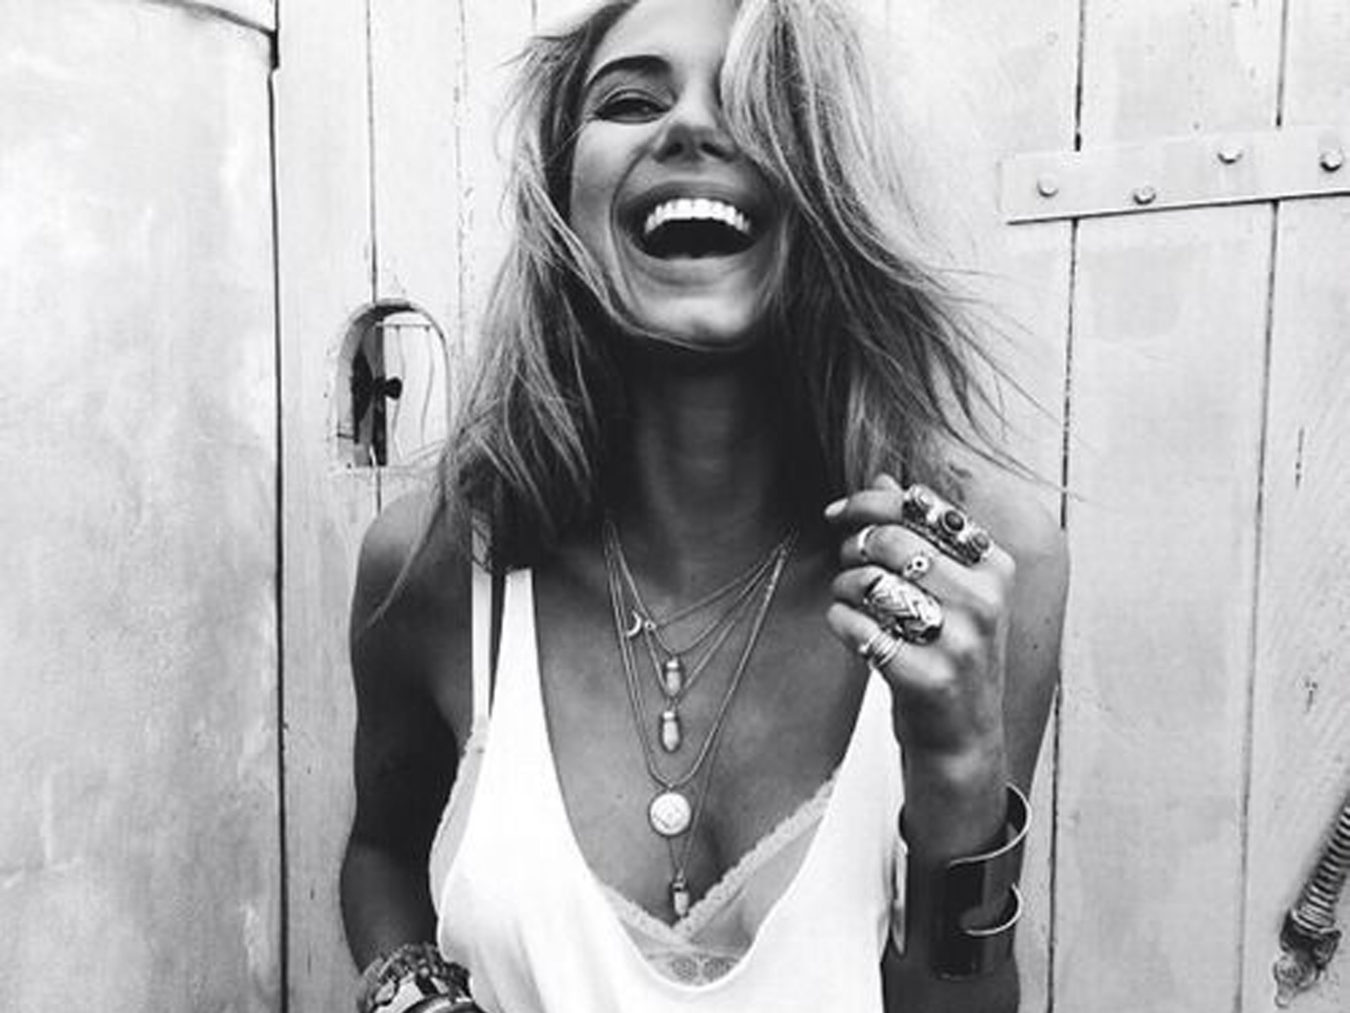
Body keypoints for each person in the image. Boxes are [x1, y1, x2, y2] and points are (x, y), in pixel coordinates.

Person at [340, 0, 1068, 1010]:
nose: (688, 124)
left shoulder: (977, 575)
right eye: (630, 101)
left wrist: (957, 771)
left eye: (758, 100)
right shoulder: (433, 565)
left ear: (837, 179)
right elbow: (382, 847)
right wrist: (408, 991)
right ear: (564, 193)